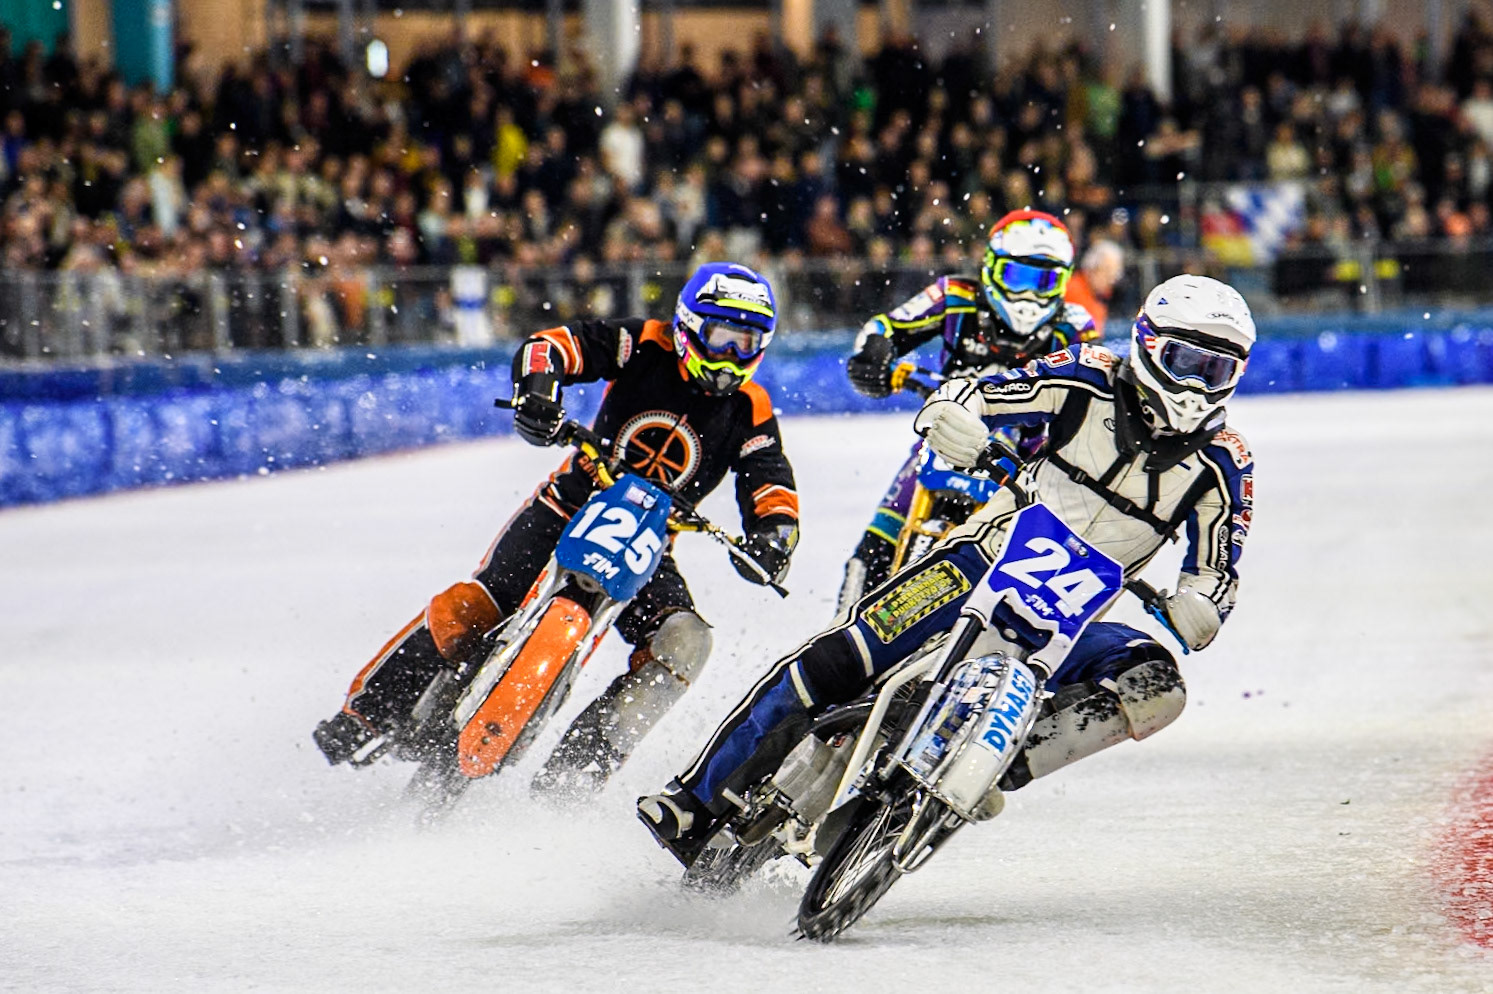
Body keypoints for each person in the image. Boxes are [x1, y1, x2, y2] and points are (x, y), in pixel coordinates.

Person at [639, 274, 1256, 863]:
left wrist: (1201, 601)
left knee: (1157, 686)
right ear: (1148, 345)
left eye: (1218, 370)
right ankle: (693, 799)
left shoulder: (1226, 464)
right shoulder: (1089, 374)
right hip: (983, 559)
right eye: (1187, 362)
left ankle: (996, 765)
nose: (1198, 387)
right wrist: (956, 416)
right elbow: (985, 390)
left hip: (1072, 614)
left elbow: (1219, 569)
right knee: (835, 659)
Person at [314, 262, 801, 790]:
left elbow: (768, 475)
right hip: (568, 504)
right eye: (722, 337)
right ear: (687, 327)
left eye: (746, 342)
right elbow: (555, 346)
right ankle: (367, 711)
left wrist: (774, 536)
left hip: (646, 546)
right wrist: (539, 393)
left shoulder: (752, 408)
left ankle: (580, 769)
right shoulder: (643, 343)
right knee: (480, 602)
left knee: (686, 643)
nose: (732, 357)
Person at [838, 209, 1099, 609]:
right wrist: (874, 353)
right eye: (1018, 277)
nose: (1029, 295)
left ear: (1063, 281)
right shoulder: (954, 296)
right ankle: (845, 621)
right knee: (879, 536)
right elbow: (886, 326)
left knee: (1038, 571)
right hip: (944, 430)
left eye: (1043, 280)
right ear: (991, 268)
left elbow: (1092, 392)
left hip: (1029, 455)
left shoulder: (1076, 326)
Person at [1066, 238, 1125, 330]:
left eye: (1114, 275)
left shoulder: (1100, 297)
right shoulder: (1073, 291)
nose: (1111, 281)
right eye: (1107, 273)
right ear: (1092, 268)